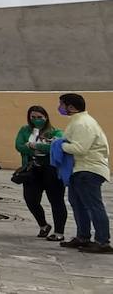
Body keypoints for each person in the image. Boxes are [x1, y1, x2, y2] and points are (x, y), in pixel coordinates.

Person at [56, 93, 110, 253]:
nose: (60, 108)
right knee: (77, 204)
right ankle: (83, 237)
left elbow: (80, 148)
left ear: (71, 107)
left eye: (61, 105)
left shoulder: (83, 123)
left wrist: (58, 145)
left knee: (94, 205)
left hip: (89, 169)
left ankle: (102, 241)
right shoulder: (77, 122)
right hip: (78, 170)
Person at [15, 105, 66, 242]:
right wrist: (39, 150)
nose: (36, 120)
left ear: (46, 117)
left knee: (56, 201)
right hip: (32, 169)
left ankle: (59, 232)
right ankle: (43, 225)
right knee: (31, 199)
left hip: (51, 170)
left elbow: (55, 148)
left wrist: (35, 146)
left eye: (39, 117)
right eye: (33, 117)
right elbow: (19, 146)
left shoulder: (55, 132)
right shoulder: (25, 130)